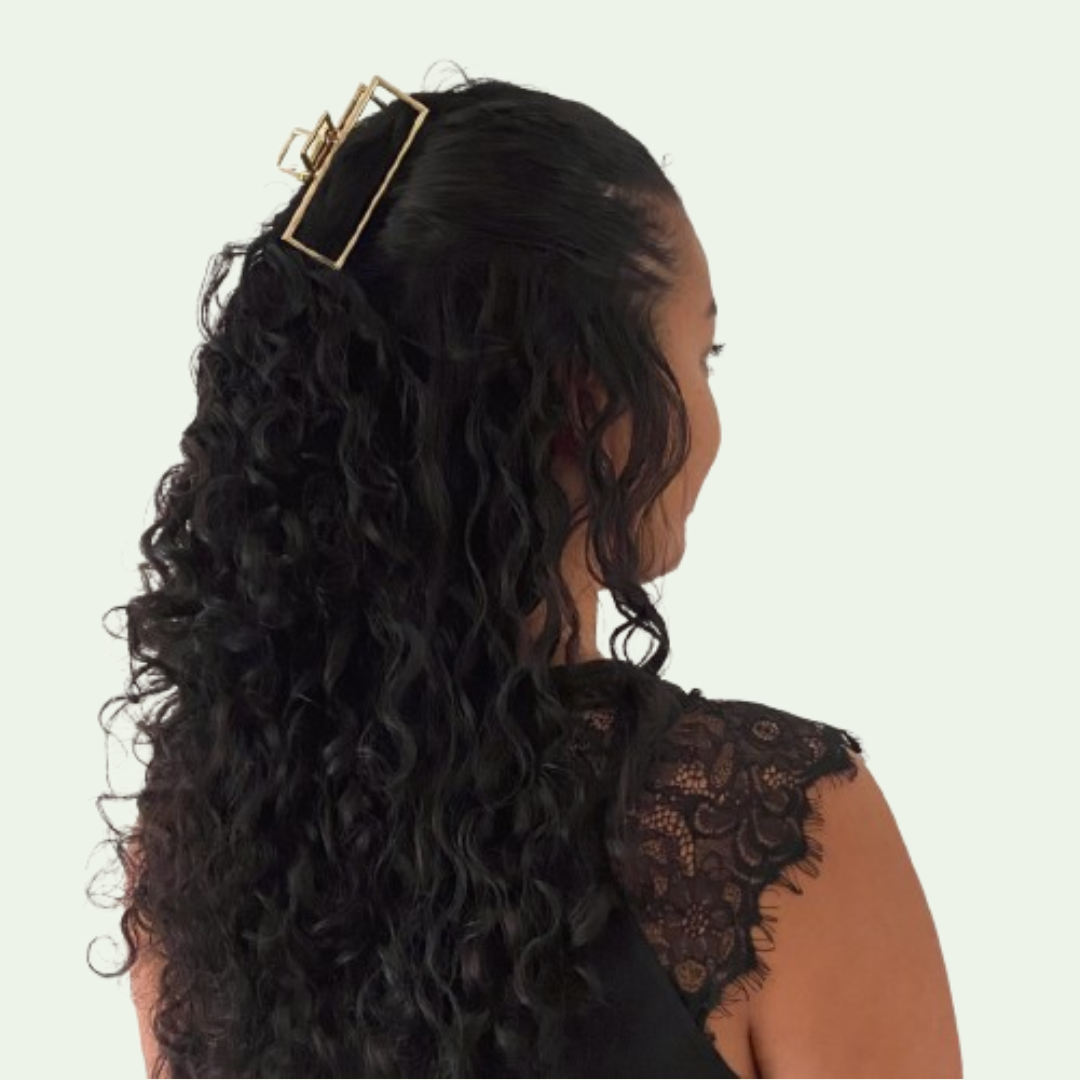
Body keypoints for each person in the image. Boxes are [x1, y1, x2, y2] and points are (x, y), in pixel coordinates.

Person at [90, 67, 962, 1077]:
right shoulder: (772, 836)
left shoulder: (203, 851)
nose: (710, 414)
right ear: (591, 400)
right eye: (703, 356)